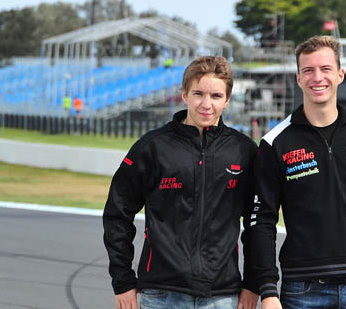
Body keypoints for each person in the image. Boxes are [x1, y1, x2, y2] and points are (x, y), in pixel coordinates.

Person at [247, 35, 346, 309]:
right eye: (308, 70)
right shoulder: (275, 142)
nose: (317, 77)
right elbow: (261, 221)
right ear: (298, 79)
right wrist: (268, 291)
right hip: (301, 291)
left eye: (325, 69)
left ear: (340, 75)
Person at [103, 56, 259, 309]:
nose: (206, 104)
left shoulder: (244, 151)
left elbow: (257, 224)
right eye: (198, 93)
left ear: (227, 100)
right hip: (161, 295)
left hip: (222, 296)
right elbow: (117, 214)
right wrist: (123, 282)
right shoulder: (152, 147)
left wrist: (253, 284)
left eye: (216, 96)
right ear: (184, 95)